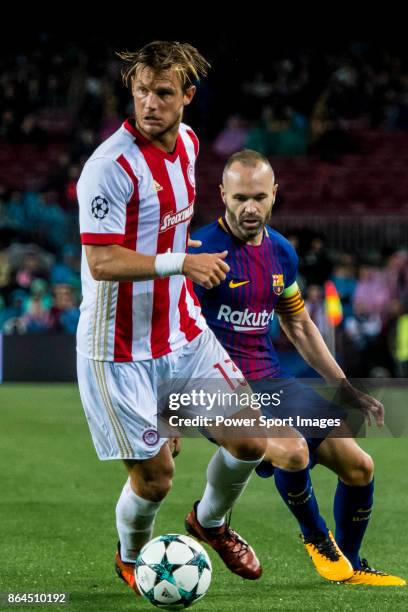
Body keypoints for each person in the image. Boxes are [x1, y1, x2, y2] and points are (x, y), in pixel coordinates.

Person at [76, 41, 280, 599]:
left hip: (182, 334)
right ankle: (130, 555)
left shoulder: (188, 145)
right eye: (141, 90)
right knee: (155, 476)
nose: (149, 103)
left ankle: (209, 523)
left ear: (188, 96)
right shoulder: (108, 168)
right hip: (118, 350)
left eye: (163, 92)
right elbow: (102, 261)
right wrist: (182, 262)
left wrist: (188, 260)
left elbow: (166, 228)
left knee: (250, 437)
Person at [189, 149, 406, 586]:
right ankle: (317, 538)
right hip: (214, 388)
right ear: (221, 196)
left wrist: (345, 388)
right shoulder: (198, 250)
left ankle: (352, 566)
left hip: (273, 382)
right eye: (238, 198)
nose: (249, 208)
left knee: (359, 465)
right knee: (292, 451)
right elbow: (167, 326)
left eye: (259, 197)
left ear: (274, 195)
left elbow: (300, 325)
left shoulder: (282, 253)